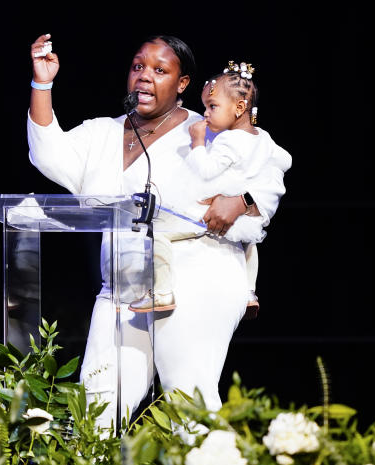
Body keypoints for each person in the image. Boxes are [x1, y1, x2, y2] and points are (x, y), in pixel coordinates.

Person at [27, 33, 288, 425]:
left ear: (183, 84)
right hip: (125, 283)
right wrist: (42, 83)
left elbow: (271, 169)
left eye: (159, 70)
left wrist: (244, 200)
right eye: (138, 67)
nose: (145, 77)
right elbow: (48, 152)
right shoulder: (103, 133)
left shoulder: (210, 129)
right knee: (96, 408)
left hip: (198, 273)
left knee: (189, 400)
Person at [129, 60, 291, 319]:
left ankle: (161, 291)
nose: (205, 114)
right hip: (248, 220)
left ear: (239, 108)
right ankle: (249, 291)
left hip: (210, 212)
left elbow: (205, 169)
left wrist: (197, 143)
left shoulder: (228, 140)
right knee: (251, 242)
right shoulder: (262, 137)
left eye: (212, 107)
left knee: (157, 232)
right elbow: (285, 159)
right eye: (205, 107)